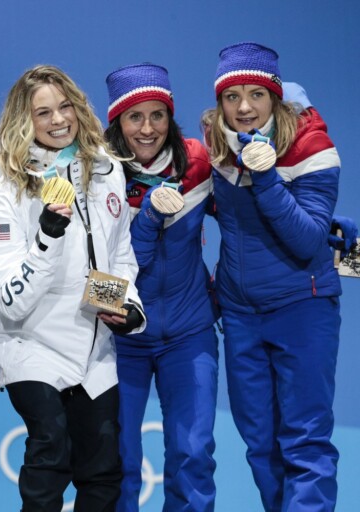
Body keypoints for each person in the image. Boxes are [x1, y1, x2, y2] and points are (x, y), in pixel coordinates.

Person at [0, 64, 145, 512]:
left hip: (93, 347)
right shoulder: (10, 186)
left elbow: (120, 255)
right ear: (25, 121)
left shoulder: (107, 169)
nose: (58, 120)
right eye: (43, 113)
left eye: (65, 106)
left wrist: (130, 307)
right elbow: (11, 302)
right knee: (50, 447)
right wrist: (47, 237)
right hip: (28, 342)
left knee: (103, 470)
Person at [207, 42, 342, 511]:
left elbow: (306, 240)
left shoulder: (312, 146)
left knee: (304, 441)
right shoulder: (217, 148)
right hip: (241, 316)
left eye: (256, 95)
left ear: (275, 97)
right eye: (232, 96)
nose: (244, 107)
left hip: (302, 306)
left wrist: (266, 178)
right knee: (260, 444)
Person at [103, 64, 219, 511]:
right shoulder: (98, 173)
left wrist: (322, 229)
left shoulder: (197, 162)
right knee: (117, 461)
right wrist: (149, 218)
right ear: (117, 122)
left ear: (171, 117)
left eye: (158, 115)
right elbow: (104, 264)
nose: (148, 128)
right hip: (118, 339)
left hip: (189, 335)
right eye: (135, 117)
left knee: (193, 456)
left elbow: (245, 218)